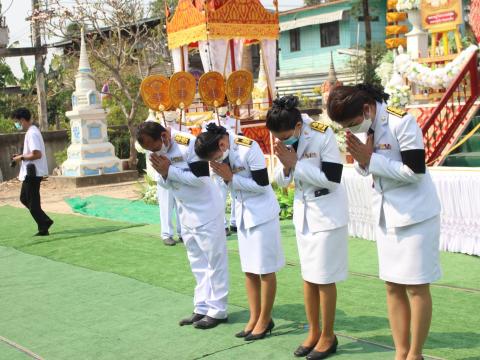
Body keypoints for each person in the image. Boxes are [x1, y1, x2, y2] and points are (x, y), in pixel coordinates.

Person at [327, 84, 441, 360]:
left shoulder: (402, 122)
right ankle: (400, 352)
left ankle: (415, 353)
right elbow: (364, 168)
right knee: (392, 285)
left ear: (366, 108)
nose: (352, 130)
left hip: (415, 216)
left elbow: (415, 171)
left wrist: (372, 159)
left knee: (416, 286)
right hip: (386, 215)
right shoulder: (366, 128)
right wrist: (365, 161)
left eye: (353, 123)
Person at [267, 96, 348, 359]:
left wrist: (295, 165)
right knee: (309, 277)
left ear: (299, 126)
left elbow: (333, 179)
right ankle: (313, 331)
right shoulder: (284, 139)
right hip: (304, 216)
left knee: (324, 278)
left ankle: (328, 335)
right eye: (278, 137)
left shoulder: (322, 135)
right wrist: (287, 166)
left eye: (286, 135)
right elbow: (279, 180)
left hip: (326, 214)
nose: (283, 140)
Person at [195, 123, 285, 341]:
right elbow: (222, 187)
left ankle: (265, 319)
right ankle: (254, 318)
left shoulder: (248, 147)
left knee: (265, 270)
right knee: (250, 271)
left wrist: (232, 177)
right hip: (243, 216)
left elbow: (263, 185)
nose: (215, 160)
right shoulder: (219, 155)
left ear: (223, 143)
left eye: (215, 155)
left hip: (262, 215)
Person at [136, 121, 229, 329]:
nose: (154, 151)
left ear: (163, 135)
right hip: (186, 213)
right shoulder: (157, 150)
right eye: (150, 150)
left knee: (215, 262)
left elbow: (201, 178)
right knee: (197, 263)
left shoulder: (188, 143)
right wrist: (163, 173)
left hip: (207, 212)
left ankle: (218, 310)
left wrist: (169, 170)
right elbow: (165, 183)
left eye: (154, 146)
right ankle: (202, 307)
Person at [11, 108, 53, 236]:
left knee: (32, 202)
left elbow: (37, 154)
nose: (17, 124)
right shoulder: (31, 131)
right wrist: (20, 155)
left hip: (33, 173)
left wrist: (21, 157)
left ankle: (43, 226)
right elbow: (33, 153)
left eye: (17, 122)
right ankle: (45, 221)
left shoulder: (32, 133)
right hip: (30, 173)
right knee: (25, 198)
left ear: (22, 120)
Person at [202, 106, 238, 235]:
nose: (222, 107)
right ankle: (222, 224)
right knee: (220, 196)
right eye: (219, 104)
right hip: (217, 163)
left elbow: (238, 139)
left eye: (224, 103)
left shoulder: (235, 121)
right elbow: (205, 144)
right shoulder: (207, 123)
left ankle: (235, 222)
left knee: (236, 195)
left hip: (232, 163)